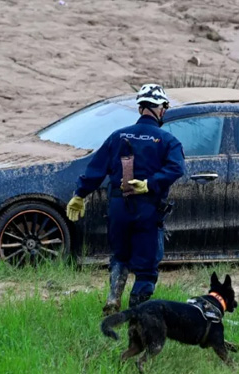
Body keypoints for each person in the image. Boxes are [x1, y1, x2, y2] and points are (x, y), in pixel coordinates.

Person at [66, 84, 185, 315]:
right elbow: (176, 169)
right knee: (146, 268)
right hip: (148, 209)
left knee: (120, 256)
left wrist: (79, 195)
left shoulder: (117, 136)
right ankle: (135, 315)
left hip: (118, 208)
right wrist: (150, 183)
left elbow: (95, 170)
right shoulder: (168, 140)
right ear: (161, 109)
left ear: (140, 108)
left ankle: (113, 298)